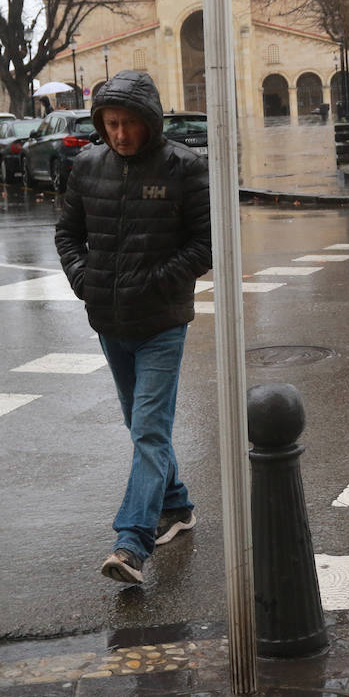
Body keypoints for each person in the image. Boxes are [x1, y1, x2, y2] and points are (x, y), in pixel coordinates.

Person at [55, 69, 213, 585]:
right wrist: (85, 281)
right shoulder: (87, 165)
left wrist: (158, 282)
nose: (119, 134)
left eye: (128, 124)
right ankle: (179, 506)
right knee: (142, 429)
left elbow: (204, 244)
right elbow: (67, 233)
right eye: (110, 123)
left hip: (162, 322)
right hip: (108, 320)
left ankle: (132, 545)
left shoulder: (184, 168)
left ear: (149, 122)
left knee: (148, 430)